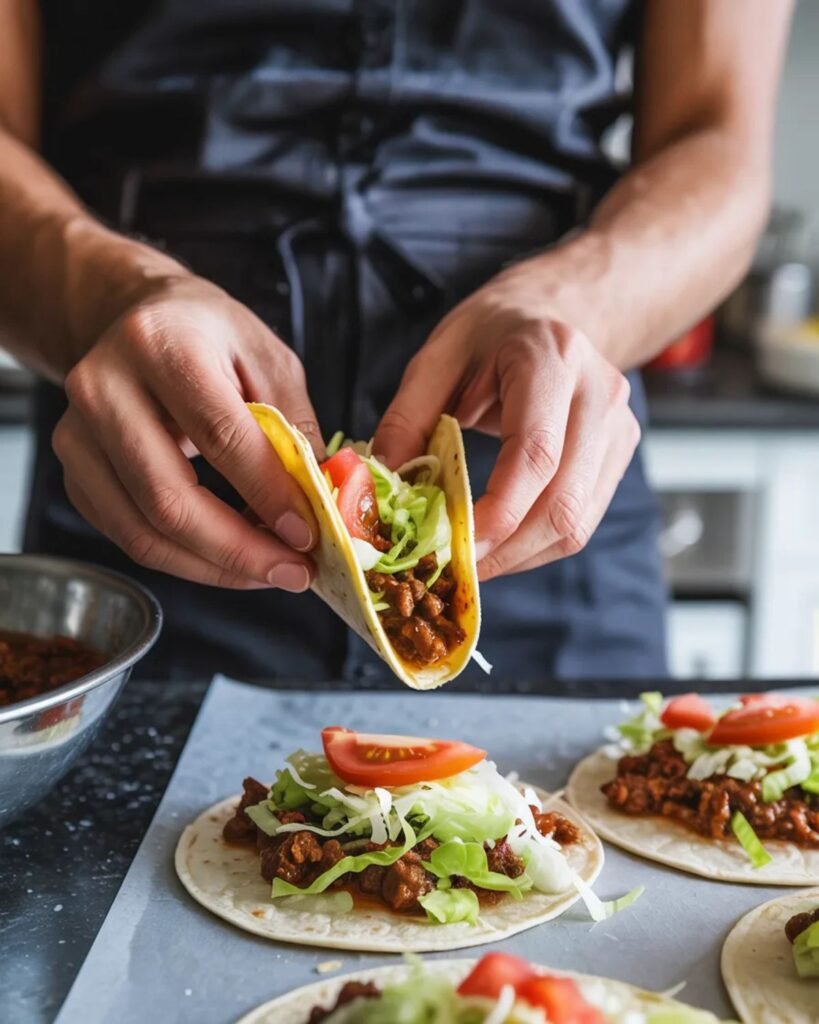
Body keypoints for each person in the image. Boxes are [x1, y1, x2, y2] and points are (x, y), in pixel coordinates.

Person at [0, 1, 792, 683]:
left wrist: (575, 300)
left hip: (539, 494)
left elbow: (717, 141)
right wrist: (111, 294)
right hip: (147, 484)